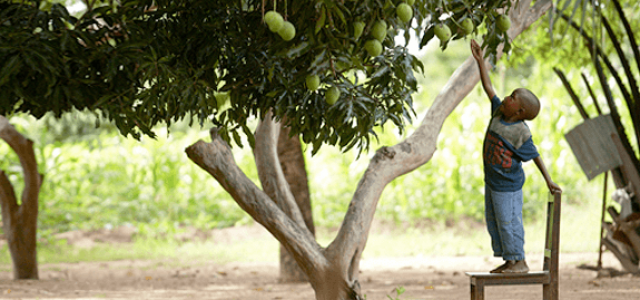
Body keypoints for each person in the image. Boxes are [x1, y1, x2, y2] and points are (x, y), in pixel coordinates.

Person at [470, 39, 562, 273]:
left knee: (510, 221)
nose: (506, 98)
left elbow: (535, 156)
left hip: (508, 187)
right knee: (496, 222)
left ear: (520, 112)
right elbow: (488, 87)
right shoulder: (498, 112)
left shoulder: (520, 132)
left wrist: (548, 180)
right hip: (492, 182)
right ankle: (509, 260)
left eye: (512, 98)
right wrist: (480, 61)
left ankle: (519, 261)